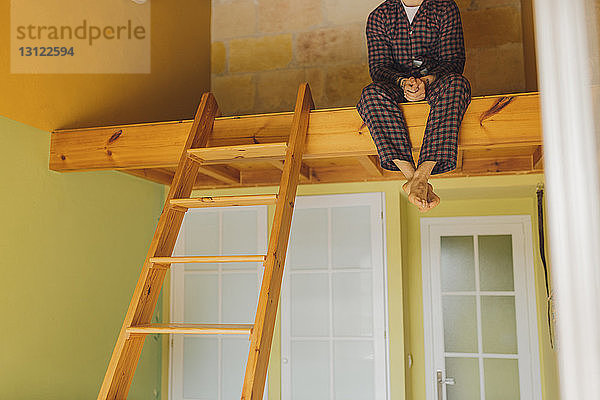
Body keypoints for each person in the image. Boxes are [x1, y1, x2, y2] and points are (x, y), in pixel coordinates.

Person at [357, 0, 471, 212]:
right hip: (397, 87)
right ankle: (416, 179)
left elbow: (454, 61)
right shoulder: (378, 16)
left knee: (458, 84)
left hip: (437, 83)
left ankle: (417, 179)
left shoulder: (445, 8)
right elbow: (379, 68)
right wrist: (403, 83)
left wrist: (425, 81)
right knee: (370, 94)